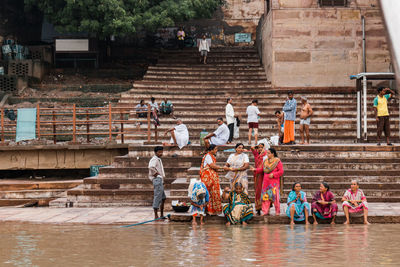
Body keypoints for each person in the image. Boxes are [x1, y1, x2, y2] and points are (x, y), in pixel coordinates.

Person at [253, 148, 284, 216]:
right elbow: (262, 170)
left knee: (275, 198)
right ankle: (265, 211)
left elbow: (281, 171)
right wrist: (256, 170)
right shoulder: (266, 161)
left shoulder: (277, 161)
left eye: (268, 153)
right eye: (267, 153)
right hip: (266, 182)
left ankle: (277, 212)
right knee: (265, 197)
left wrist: (274, 175)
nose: (267, 154)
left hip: (274, 182)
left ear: (272, 154)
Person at [200, 144, 223, 215]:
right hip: (208, 177)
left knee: (213, 193)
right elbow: (212, 165)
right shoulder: (208, 156)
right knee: (208, 193)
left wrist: (221, 170)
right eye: (215, 149)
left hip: (211, 177)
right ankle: (208, 210)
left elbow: (212, 167)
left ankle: (212, 211)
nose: (216, 150)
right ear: (211, 150)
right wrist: (222, 168)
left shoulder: (211, 156)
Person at [148, 146, 166, 219]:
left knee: (163, 198)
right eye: (159, 152)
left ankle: (161, 215)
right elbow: (151, 167)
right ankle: (156, 215)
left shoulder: (158, 159)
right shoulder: (154, 159)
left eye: (161, 152)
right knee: (157, 196)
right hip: (157, 180)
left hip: (160, 180)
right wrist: (157, 174)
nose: (161, 153)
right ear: (155, 152)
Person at [251, 143, 267, 215]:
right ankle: (258, 209)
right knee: (258, 191)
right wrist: (256, 147)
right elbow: (252, 148)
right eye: (259, 147)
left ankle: (266, 208)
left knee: (265, 191)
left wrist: (264, 151)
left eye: (262, 147)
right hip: (257, 176)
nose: (260, 149)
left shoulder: (266, 154)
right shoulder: (256, 154)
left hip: (264, 175)